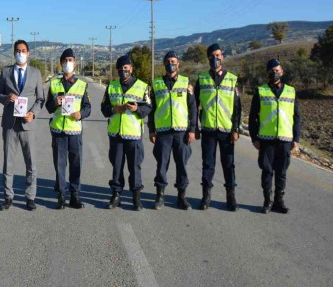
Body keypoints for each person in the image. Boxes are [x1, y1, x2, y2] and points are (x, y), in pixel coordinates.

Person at [0, 39, 45, 211]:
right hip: (10, 124)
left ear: (28, 53)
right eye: (17, 50)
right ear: (14, 53)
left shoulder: (36, 73)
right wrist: (5, 98)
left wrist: (33, 113)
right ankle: (8, 197)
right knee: (8, 163)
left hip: (27, 124)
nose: (20, 53)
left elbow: (40, 98)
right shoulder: (6, 72)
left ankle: (30, 197)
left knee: (31, 163)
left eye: (23, 50)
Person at [249, 58, 301, 214]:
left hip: (285, 139)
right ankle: (267, 201)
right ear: (268, 73)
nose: (275, 73)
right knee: (267, 171)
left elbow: (296, 117)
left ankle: (279, 201)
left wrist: (296, 139)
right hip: (266, 139)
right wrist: (254, 138)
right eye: (272, 71)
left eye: (277, 70)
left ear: (282, 72)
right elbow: (253, 117)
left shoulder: (291, 91)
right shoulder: (260, 91)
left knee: (282, 172)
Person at [194, 43, 241, 211]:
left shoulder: (232, 79)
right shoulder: (202, 79)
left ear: (223, 56)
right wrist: (195, 128)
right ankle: (206, 197)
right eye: (212, 56)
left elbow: (237, 108)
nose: (216, 58)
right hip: (208, 130)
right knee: (208, 164)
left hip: (227, 131)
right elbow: (195, 105)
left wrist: (236, 129)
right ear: (208, 59)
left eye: (218, 55)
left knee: (229, 164)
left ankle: (231, 198)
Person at [148, 51, 197, 210]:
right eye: (168, 61)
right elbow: (152, 109)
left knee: (182, 164)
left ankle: (182, 197)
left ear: (178, 64)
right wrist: (151, 130)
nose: (171, 63)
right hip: (163, 132)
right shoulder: (156, 84)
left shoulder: (185, 82)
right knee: (162, 164)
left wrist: (192, 130)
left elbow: (193, 108)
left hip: (182, 132)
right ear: (164, 64)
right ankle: (159, 196)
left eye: (174, 61)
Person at [101, 55, 151, 211]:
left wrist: (137, 109)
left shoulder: (143, 86)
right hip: (115, 134)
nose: (124, 71)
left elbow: (149, 107)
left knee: (135, 167)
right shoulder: (111, 86)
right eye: (121, 68)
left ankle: (136, 197)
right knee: (117, 166)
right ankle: (116, 195)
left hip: (134, 135)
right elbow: (104, 108)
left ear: (131, 68)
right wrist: (113, 109)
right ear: (117, 70)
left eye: (126, 68)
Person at [45, 48, 91, 209]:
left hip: (75, 131)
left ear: (75, 63)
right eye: (65, 60)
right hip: (58, 130)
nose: (67, 63)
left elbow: (88, 107)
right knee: (59, 164)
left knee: (76, 163)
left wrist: (81, 114)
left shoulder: (82, 85)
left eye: (70, 60)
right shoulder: (54, 83)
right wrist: (55, 102)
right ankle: (61, 195)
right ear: (60, 63)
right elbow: (48, 107)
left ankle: (75, 195)